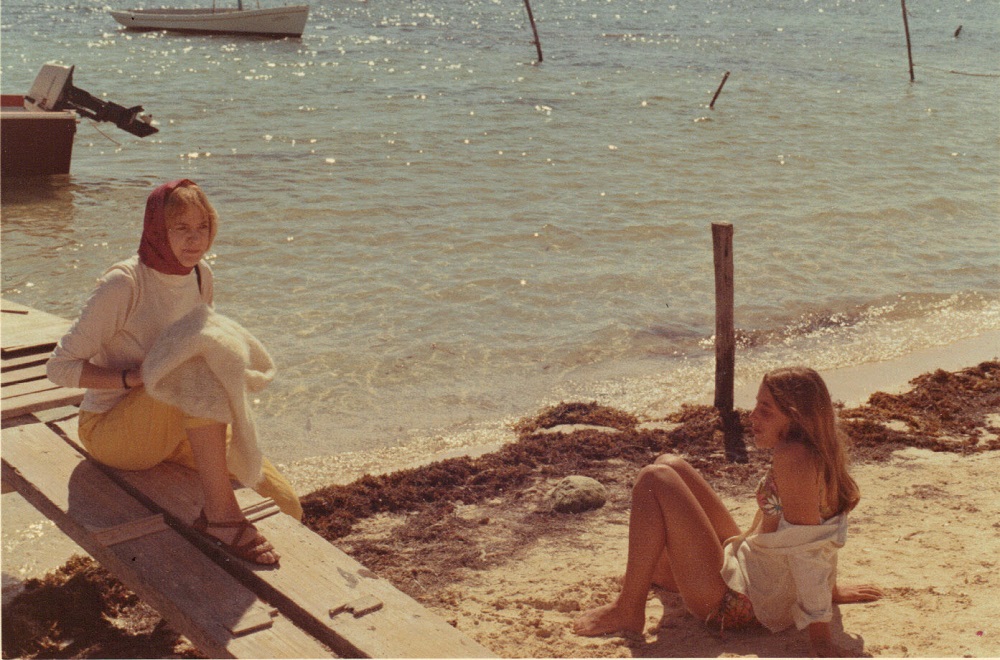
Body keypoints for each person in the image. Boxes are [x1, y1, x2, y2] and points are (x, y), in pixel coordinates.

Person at [47, 179, 301, 566]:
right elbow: (59, 368)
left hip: (178, 421)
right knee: (193, 368)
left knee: (286, 505)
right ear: (156, 229)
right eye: (181, 227)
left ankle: (220, 524)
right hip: (111, 429)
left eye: (203, 227)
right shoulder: (124, 283)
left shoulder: (201, 275)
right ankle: (220, 517)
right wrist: (130, 378)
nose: (195, 239)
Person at [573, 366, 882, 656]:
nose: (752, 416)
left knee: (654, 479)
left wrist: (821, 636)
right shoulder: (817, 450)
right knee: (669, 463)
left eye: (766, 410)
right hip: (753, 572)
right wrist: (831, 590)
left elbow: (808, 551)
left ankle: (628, 609)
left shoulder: (794, 458)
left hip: (738, 604)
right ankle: (656, 572)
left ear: (796, 418)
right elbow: (822, 532)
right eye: (756, 405)